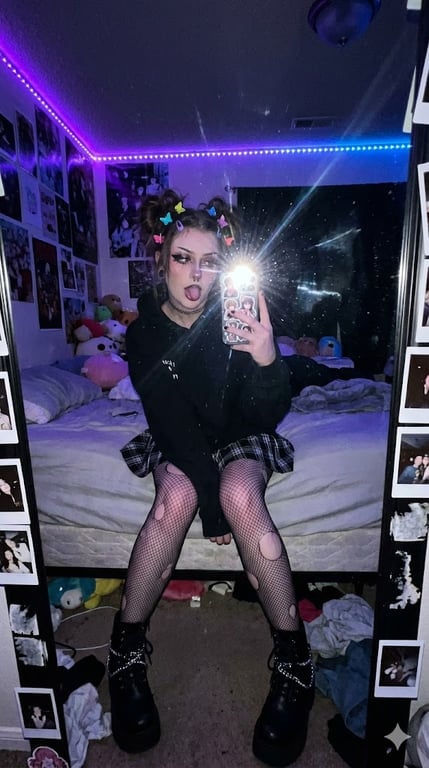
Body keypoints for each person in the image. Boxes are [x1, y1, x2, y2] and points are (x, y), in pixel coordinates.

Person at [107, 189, 314, 767]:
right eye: (183, 258)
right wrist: (209, 507)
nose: (196, 274)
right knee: (174, 499)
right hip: (181, 438)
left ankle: (295, 662)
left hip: (240, 434)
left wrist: (268, 360)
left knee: (241, 491)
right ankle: (125, 653)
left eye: (209, 261)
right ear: (162, 260)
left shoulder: (236, 316)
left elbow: (263, 414)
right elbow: (173, 426)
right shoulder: (145, 333)